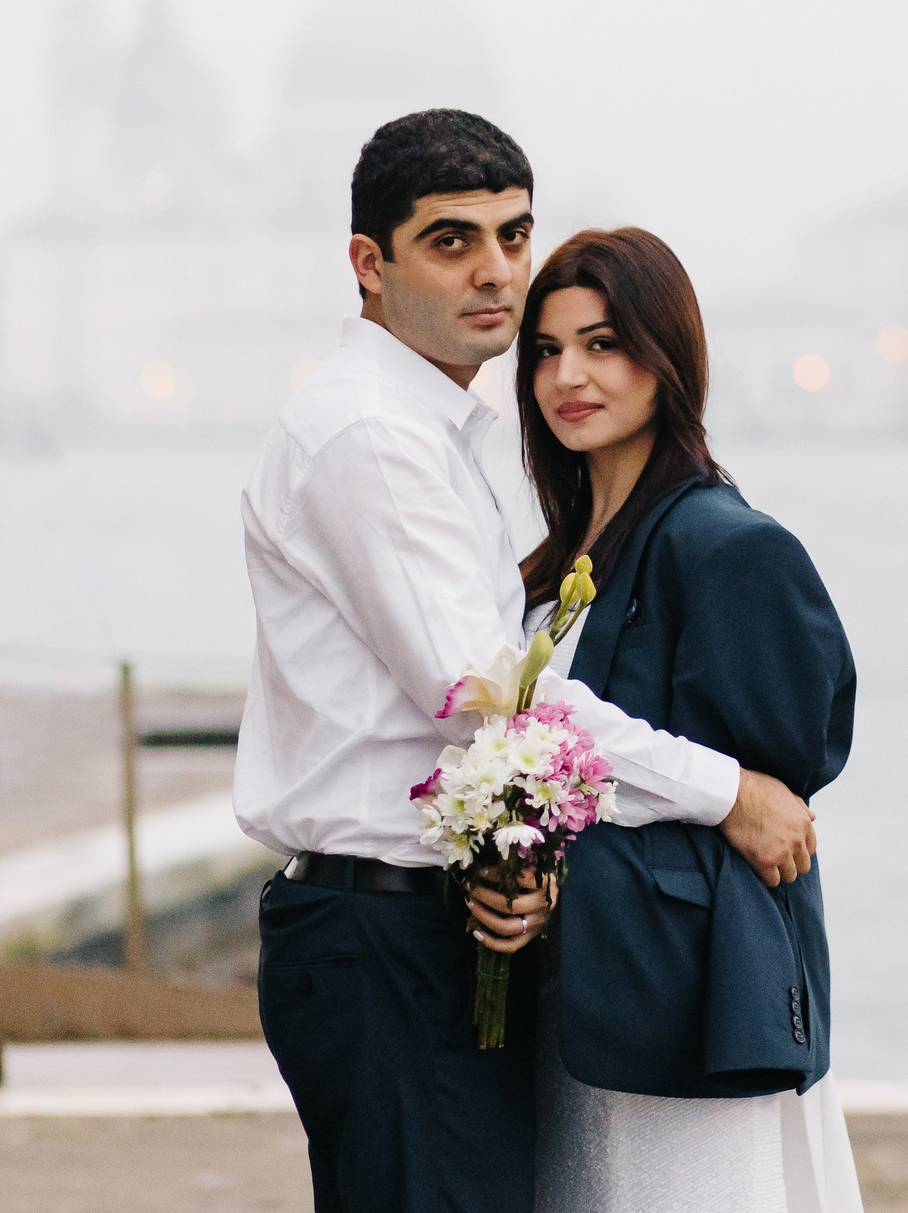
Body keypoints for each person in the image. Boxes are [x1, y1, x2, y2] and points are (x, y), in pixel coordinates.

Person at [233, 110, 821, 1213]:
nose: (495, 272)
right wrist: (727, 792)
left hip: (418, 927)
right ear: (369, 263)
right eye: (451, 242)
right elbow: (488, 702)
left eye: (513, 235)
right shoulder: (372, 436)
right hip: (382, 936)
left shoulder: (431, 432)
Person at [516, 228, 863, 1213]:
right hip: (579, 1002)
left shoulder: (725, 547)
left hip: (678, 1008)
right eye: (546, 350)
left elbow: (782, 782)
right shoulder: (553, 567)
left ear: (667, 360)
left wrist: (715, 798)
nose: (567, 376)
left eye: (602, 343)